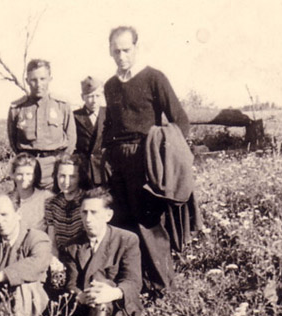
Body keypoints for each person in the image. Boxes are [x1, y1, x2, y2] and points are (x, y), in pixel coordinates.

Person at [101, 26, 190, 296]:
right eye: (116, 50)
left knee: (148, 225)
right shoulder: (110, 86)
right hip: (118, 163)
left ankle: (165, 289)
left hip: (145, 160)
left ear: (136, 48)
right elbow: (109, 127)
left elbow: (180, 120)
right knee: (123, 224)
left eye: (126, 49)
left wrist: (165, 157)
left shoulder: (154, 78)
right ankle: (134, 286)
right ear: (110, 51)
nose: (121, 55)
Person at [60, 188, 143, 316]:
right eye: (84, 212)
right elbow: (71, 283)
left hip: (117, 307)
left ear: (108, 215)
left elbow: (133, 281)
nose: (88, 219)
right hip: (84, 308)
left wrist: (111, 293)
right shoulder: (72, 246)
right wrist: (81, 296)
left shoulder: (126, 240)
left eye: (94, 212)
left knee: (103, 298)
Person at [7, 59, 76, 189]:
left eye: (43, 79)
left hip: (54, 168)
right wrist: (24, 163)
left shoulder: (61, 105)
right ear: (27, 81)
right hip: (26, 169)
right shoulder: (17, 108)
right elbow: (13, 141)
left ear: (50, 79)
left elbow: (71, 139)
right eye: (34, 80)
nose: (38, 84)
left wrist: (60, 165)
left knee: (54, 206)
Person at [44, 154, 91, 252]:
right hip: (61, 256)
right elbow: (52, 240)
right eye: (62, 176)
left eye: (72, 176)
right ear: (56, 176)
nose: (66, 181)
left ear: (80, 177)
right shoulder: (51, 203)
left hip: (83, 254)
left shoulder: (88, 201)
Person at [73, 76, 106, 186]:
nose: (94, 100)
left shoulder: (109, 114)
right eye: (90, 96)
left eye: (97, 96)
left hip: (104, 168)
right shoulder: (75, 116)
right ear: (83, 97)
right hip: (84, 169)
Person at [8, 153, 53, 232]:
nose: (24, 178)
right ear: (13, 175)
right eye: (20, 174)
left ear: (35, 175)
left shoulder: (46, 197)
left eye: (29, 174)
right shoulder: (7, 200)